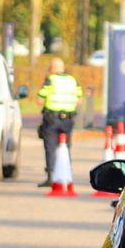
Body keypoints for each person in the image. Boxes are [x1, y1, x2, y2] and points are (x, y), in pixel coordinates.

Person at [36, 58, 82, 187]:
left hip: (52, 119)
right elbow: (79, 101)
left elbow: (40, 100)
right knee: (65, 147)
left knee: (50, 147)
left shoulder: (50, 80)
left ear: (51, 68)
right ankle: (65, 174)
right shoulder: (73, 80)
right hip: (68, 119)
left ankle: (51, 176)